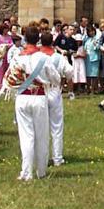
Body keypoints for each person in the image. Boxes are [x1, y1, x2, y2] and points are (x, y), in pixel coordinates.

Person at [2, 26, 60, 181]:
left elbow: (8, 77)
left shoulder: (17, 57)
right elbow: (56, 78)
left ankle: (26, 172)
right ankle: (41, 171)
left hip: (22, 97)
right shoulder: (44, 58)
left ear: (25, 39)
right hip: (39, 97)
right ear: (38, 39)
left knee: (26, 135)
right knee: (41, 135)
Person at [40, 32, 73, 166]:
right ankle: (57, 158)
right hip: (54, 90)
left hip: (40, 91)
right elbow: (70, 72)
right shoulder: (58, 58)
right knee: (56, 126)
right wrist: (64, 80)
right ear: (52, 42)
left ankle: (43, 156)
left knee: (41, 126)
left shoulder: (36, 57)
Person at [84, 26, 101, 94]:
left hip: (95, 58)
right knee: (88, 74)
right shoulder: (87, 39)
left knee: (94, 75)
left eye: (93, 31)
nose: (91, 32)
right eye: (90, 31)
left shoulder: (97, 39)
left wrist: (95, 44)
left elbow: (98, 48)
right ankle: (88, 88)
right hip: (87, 58)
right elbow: (85, 48)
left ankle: (93, 90)